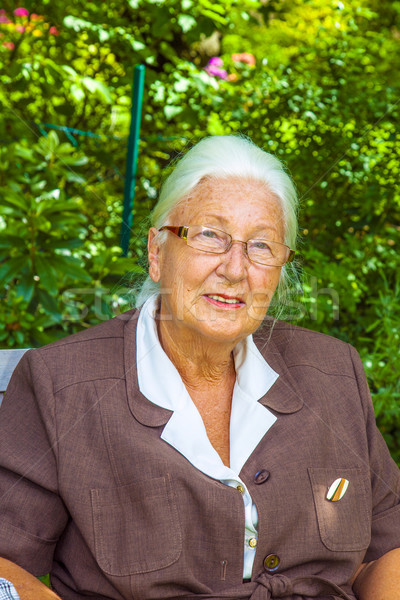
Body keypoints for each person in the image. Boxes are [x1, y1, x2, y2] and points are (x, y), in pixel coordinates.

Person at [0, 135, 399, 600]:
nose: (235, 269)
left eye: (262, 246)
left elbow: (386, 550)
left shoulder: (333, 372)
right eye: (210, 235)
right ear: (156, 252)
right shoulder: (62, 384)